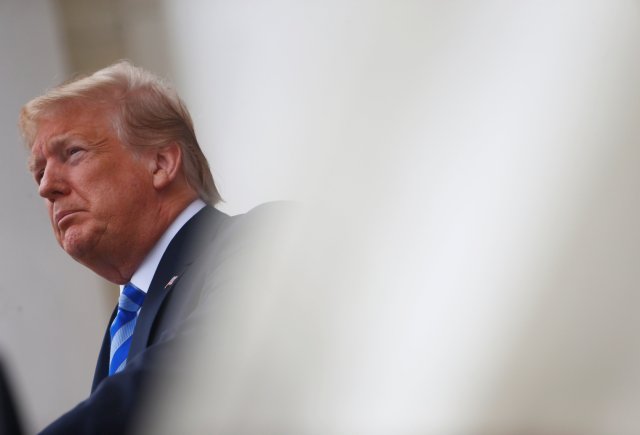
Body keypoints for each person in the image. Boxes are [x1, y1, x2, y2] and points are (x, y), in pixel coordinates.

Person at [19, 60, 281, 434]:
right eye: (39, 171)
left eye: (73, 153)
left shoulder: (262, 238)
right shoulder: (123, 325)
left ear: (160, 163)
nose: (46, 187)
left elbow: (211, 361)